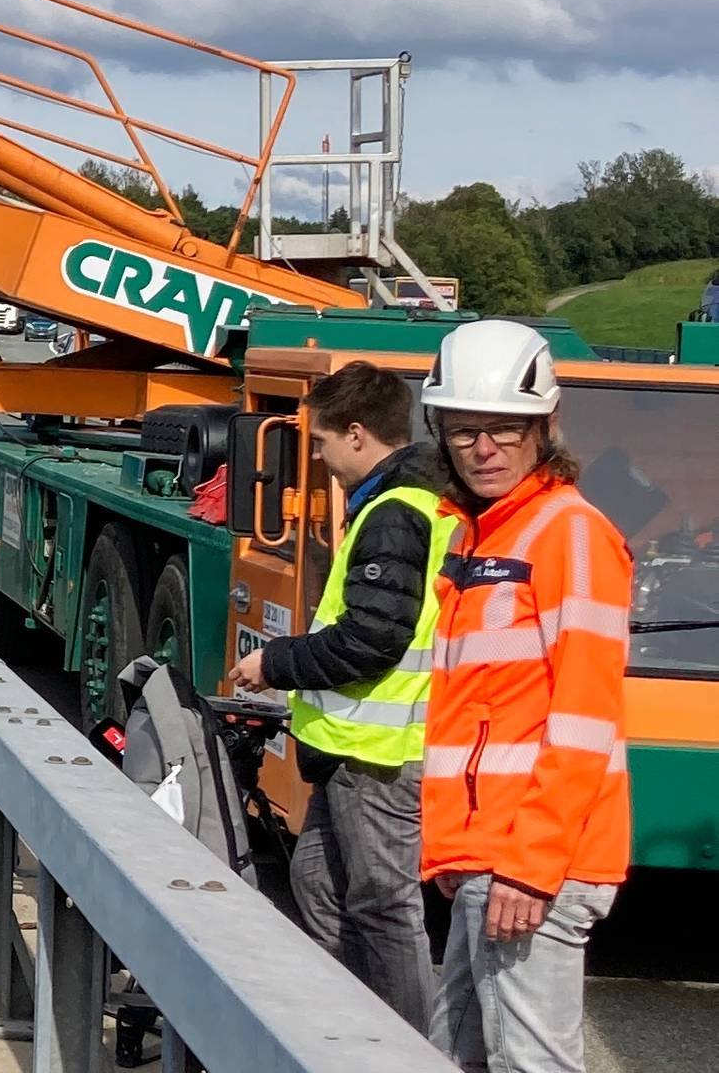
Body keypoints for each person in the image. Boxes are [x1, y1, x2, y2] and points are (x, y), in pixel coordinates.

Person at [417, 318, 631, 1073]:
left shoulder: (569, 533)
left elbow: (584, 716)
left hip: (530, 859)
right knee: (457, 1056)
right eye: (465, 429)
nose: (485, 448)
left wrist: (530, 866)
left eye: (506, 429)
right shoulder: (480, 535)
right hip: (486, 853)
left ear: (544, 426)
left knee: (531, 1065)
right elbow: (474, 708)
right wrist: (453, 849)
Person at [227, 361, 452, 1024]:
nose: (320, 461)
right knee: (318, 884)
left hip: (379, 755)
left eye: (322, 444)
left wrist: (278, 661)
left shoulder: (396, 514)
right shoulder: (405, 501)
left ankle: (407, 1050)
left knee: (383, 907)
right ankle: (348, 1029)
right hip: (351, 751)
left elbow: (370, 639)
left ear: (358, 434)